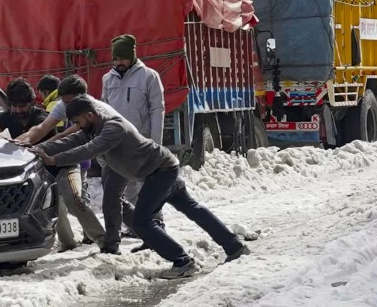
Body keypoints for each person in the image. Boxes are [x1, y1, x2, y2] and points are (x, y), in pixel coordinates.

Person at [31, 96, 249, 279]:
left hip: (160, 171)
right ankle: (234, 246)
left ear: (89, 115)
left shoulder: (112, 127)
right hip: (161, 170)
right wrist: (34, 148)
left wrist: (54, 160)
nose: (76, 127)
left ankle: (183, 261)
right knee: (191, 208)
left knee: (142, 222)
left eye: (78, 122)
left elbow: (90, 150)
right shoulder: (91, 129)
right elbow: (69, 142)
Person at [0, 80, 104, 251]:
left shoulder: (41, 115)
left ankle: (103, 239)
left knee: (75, 200)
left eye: (22, 106)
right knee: (55, 209)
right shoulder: (8, 116)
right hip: (40, 172)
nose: (18, 110)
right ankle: (68, 244)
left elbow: (36, 131)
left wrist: (13, 142)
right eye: (14, 106)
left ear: (32, 102)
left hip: (63, 165)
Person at [102, 35, 167, 250]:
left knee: (148, 187)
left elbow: (157, 109)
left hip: (143, 143)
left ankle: (156, 227)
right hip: (118, 145)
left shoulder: (149, 77)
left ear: (132, 56)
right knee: (127, 189)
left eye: (122, 58)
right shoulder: (107, 80)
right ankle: (139, 230)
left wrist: (155, 142)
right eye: (115, 59)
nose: (118, 62)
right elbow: (103, 110)